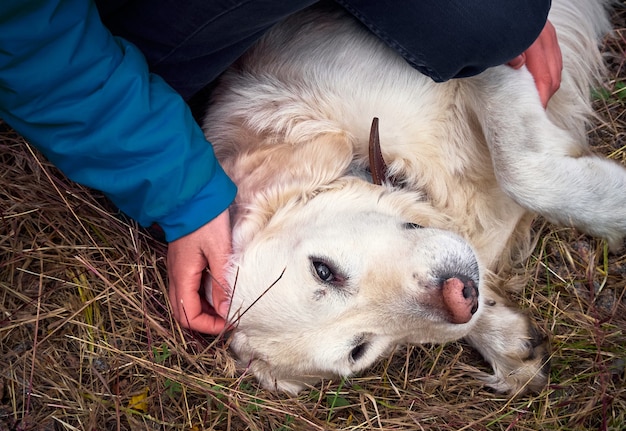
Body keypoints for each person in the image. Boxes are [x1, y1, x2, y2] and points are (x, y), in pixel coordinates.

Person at [0, 0, 562, 334]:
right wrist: (179, 186)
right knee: (489, 17)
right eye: (358, 347)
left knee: (490, 17)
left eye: (326, 273)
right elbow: (30, 40)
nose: (448, 306)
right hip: (100, 29)